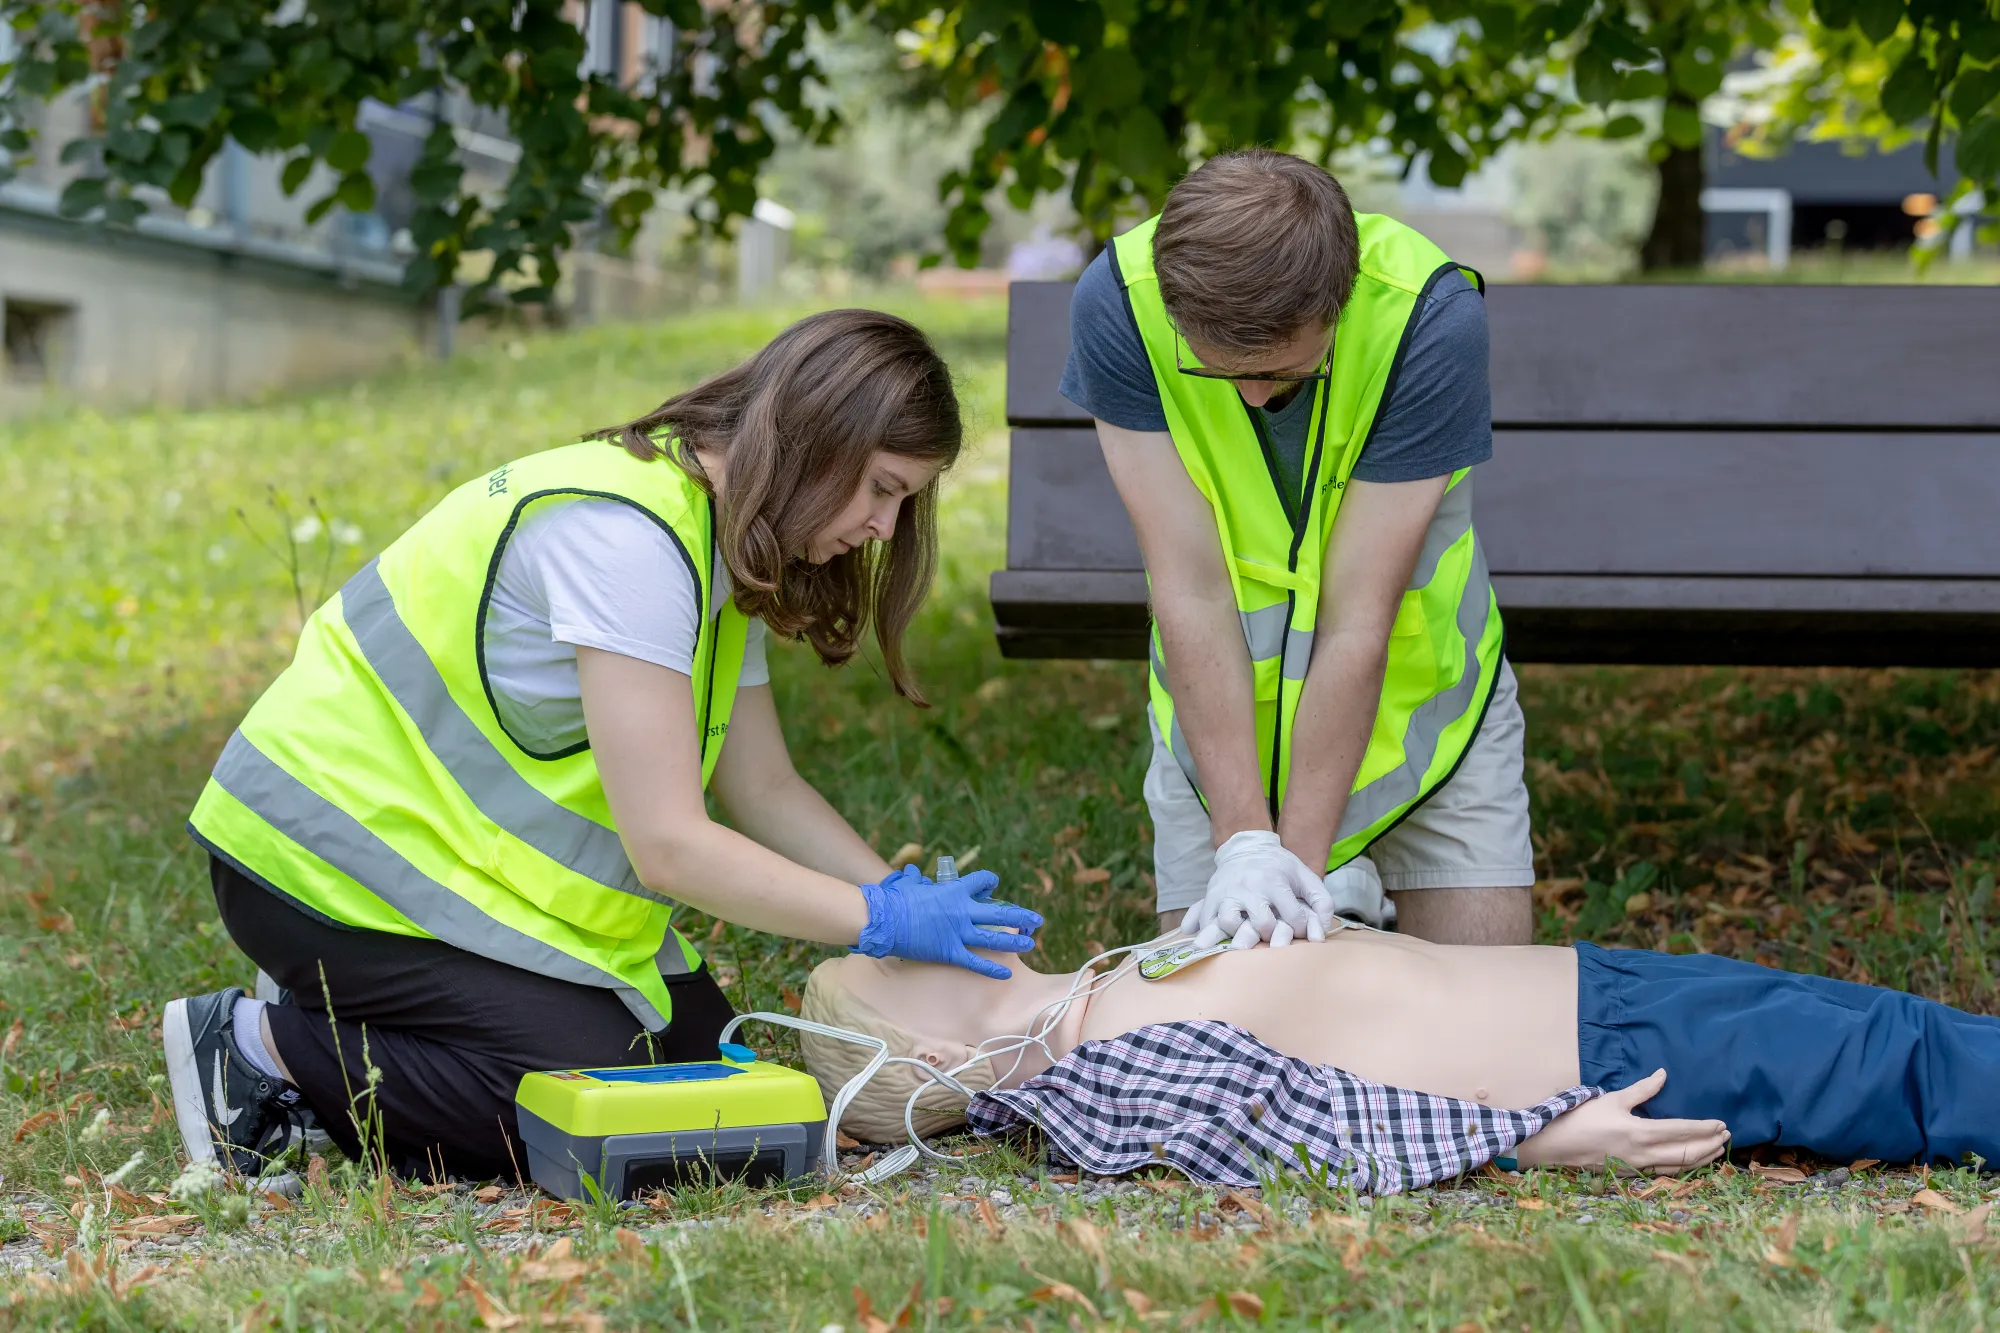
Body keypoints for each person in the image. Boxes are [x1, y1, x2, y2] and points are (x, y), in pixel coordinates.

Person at [161, 310, 1042, 1181]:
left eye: (905, 499)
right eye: (884, 488)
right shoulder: (629, 542)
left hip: (436, 870)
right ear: (821, 439)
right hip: (315, 866)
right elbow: (668, 846)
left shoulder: (723, 536)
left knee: (710, 1081)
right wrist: (878, 920)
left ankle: (364, 1015)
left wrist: (892, 892)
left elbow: (766, 785)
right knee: (593, 1097)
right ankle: (264, 1047)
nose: (886, 529)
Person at [1061, 149, 1530, 949]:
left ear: (1338, 307)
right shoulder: (1122, 305)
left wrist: (1294, 880)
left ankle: (1351, 886)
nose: (1250, 394)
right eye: (1216, 369)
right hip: (1217, 723)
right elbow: (1190, 586)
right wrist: (1246, 850)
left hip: (1419, 715)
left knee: (1489, 1007)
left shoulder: (1428, 318)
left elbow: (1358, 618)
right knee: (1215, 1036)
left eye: (1282, 369)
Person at [799, 926, 2000, 1177]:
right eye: (894, 959)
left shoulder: (1106, 987)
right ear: (934, 1044)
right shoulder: (1102, 1073)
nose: (907, 930)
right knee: (1902, 1061)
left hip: (1601, 984)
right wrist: (1533, 1138)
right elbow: (1296, 1126)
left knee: (1880, 1021)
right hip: (1606, 1051)